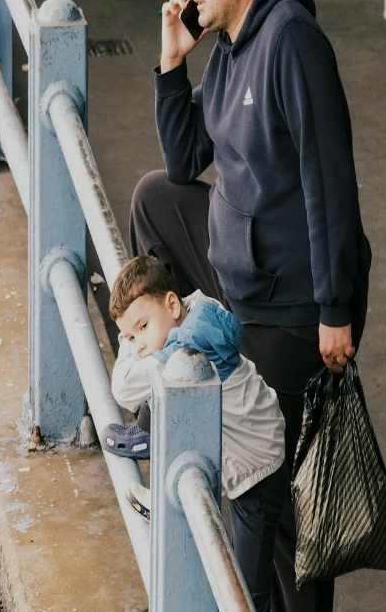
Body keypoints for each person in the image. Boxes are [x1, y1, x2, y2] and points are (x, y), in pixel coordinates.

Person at [134, 0, 373, 609]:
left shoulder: (291, 42)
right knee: (154, 196)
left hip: (291, 302)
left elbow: (331, 182)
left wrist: (334, 308)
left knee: (268, 495)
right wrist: (171, 65)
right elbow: (186, 161)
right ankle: (165, 367)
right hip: (241, 273)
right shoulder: (234, 47)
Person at [105, 255, 287, 612]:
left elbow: (123, 387)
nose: (138, 344)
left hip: (257, 475)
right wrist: (134, 329)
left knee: (247, 592)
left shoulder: (185, 348)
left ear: (172, 303)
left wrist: (126, 343)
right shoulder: (199, 308)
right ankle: (160, 476)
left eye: (142, 327)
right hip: (259, 449)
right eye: (129, 336)